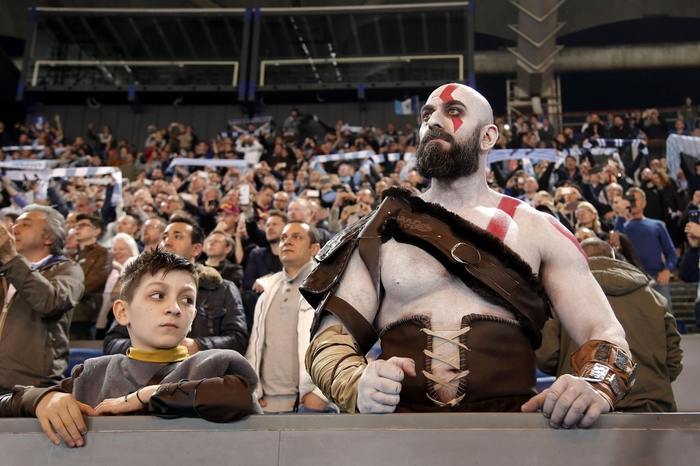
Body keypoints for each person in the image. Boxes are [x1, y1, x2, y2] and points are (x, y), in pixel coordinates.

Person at [301, 83, 634, 428]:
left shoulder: (538, 230)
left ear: (488, 137)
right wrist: (356, 383)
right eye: (427, 115)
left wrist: (596, 385)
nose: (433, 121)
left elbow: (607, 333)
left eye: (453, 111)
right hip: (402, 436)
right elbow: (329, 344)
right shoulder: (381, 231)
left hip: (513, 436)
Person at [0, 249, 261, 447]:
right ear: (122, 312)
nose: (175, 308)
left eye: (187, 299)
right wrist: (43, 399)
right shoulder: (93, 374)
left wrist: (146, 395)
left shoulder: (217, 364)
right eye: (158, 295)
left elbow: (238, 397)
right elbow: (6, 402)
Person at [537, 238, 682, 412]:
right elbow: (673, 360)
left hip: (586, 410)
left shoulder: (560, 298)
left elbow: (547, 356)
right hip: (652, 407)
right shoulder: (656, 299)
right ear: (614, 257)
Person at [104, 216, 248, 355]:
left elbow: (238, 339)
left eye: (177, 236)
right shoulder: (141, 285)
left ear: (196, 249)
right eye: (165, 237)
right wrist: (146, 347)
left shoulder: (222, 289)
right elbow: (112, 343)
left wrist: (198, 346)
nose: (167, 242)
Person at [245, 221, 332, 413]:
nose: (287, 242)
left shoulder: (329, 288)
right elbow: (255, 346)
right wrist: (254, 392)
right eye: (284, 237)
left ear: (314, 248)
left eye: (297, 237)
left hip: (309, 405)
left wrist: (322, 394)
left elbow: (347, 341)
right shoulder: (267, 291)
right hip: (266, 404)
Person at [0, 205, 84, 394]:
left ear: (48, 237)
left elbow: (49, 302)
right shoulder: (6, 269)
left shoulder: (68, 270)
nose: (14, 229)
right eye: (15, 223)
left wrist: (11, 258)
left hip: (32, 388)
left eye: (26, 224)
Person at [613, 187, 677, 304]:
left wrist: (667, 270)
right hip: (630, 279)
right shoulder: (622, 224)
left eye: (634, 199)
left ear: (644, 203)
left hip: (657, 279)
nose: (631, 202)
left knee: (665, 318)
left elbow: (671, 252)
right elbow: (615, 245)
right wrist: (621, 214)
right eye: (629, 199)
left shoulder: (657, 225)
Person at [70, 213, 112, 340]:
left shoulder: (103, 254)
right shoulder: (69, 255)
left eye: (83, 225)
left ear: (96, 231)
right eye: (76, 225)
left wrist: (64, 294)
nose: (77, 228)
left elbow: (93, 283)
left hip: (84, 314)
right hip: (64, 312)